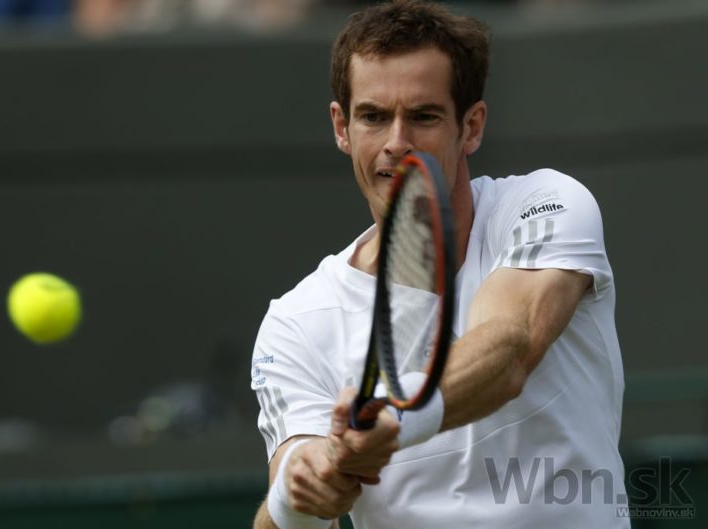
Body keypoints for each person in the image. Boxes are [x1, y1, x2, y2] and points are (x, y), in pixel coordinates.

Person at [250, 1, 628, 527]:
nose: (396, 143)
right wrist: (300, 494)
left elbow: (509, 346)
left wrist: (392, 416)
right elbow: (292, 496)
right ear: (342, 127)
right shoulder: (296, 323)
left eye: (423, 117)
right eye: (373, 117)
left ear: (470, 127)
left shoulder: (547, 204)